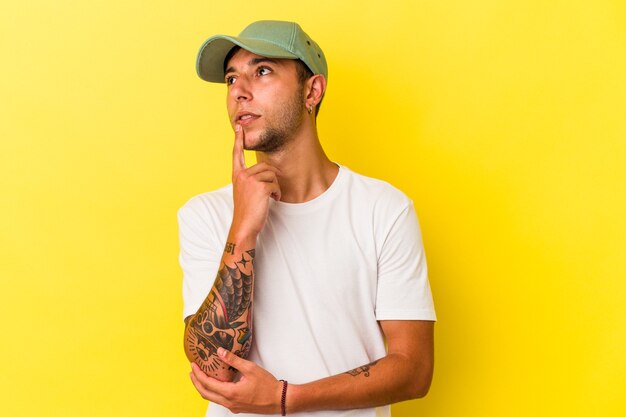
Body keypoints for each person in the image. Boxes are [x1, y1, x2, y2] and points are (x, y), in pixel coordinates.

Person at [178, 20, 436, 417]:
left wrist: (286, 397)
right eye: (231, 79)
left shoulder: (383, 209)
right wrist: (243, 230)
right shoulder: (206, 215)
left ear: (312, 91)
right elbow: (212, 366)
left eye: (262, 71)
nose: (239, 92)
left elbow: (414, 370)